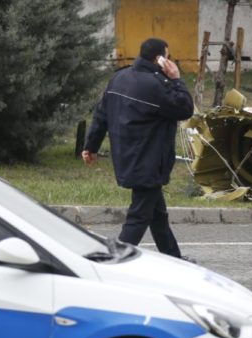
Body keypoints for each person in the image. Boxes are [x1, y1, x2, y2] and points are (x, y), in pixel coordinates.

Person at [81, 38, 194, 259]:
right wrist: (176, 80)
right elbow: (184, 108)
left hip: (128, 157)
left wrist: (91, 146)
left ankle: (174, 259)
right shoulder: (157, 86)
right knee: (138, 218)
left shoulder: (119, 78)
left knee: (157, 215)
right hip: (149, 160)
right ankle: (112, 261)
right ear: (159, 59)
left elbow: (101, 114)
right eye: (167, 56)